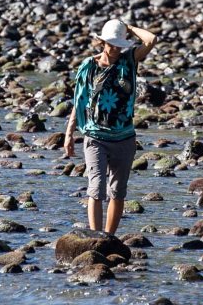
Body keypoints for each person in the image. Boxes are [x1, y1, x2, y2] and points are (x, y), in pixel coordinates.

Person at [63, 18, 157, 235]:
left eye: (119, 45)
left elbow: (151, 39)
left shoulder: (129, 60)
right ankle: (95, 237)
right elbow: (79, 101)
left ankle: (109, 238)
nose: (115, 49)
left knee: (118, 192)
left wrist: (128, 28)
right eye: (111, 44)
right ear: (102, 42)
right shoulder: (89, 66)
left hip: (124, 138)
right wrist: (69, 134)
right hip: (95, 137)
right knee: (96, 189)